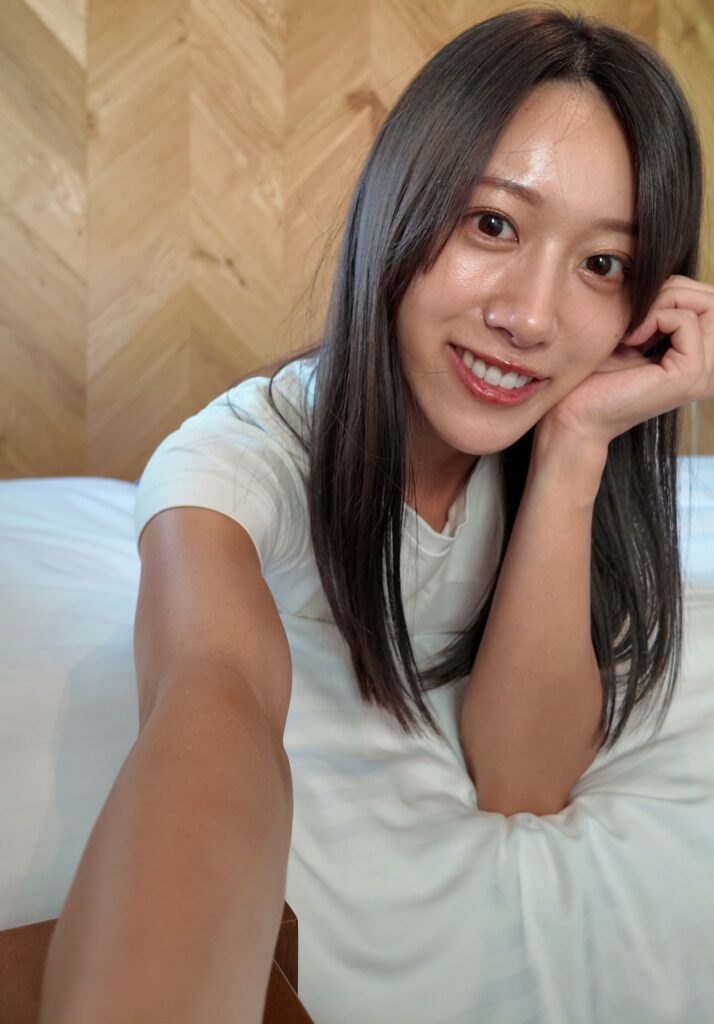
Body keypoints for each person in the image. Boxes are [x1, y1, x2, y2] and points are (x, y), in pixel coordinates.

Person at [39, 8, 713, 1024]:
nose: (530, 318)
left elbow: (523, 780)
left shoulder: (558, 450)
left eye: (603, 264)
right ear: (400, 203)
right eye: (492, 224)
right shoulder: (238, 460)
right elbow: (212, 696)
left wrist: (578, 444)